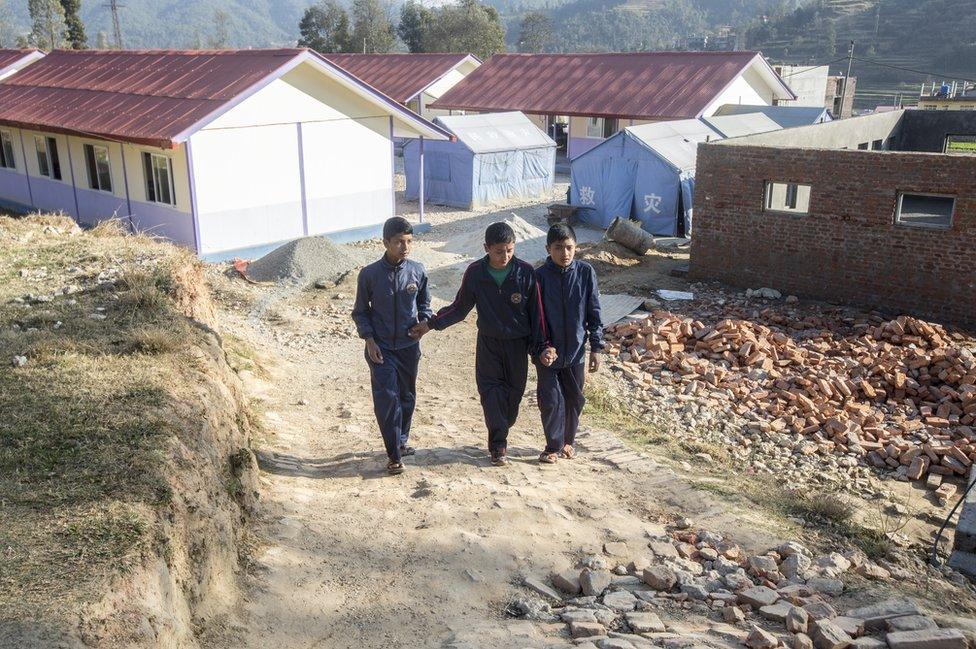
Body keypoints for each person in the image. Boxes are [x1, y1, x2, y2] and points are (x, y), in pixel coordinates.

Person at [409, 222, 555, 466]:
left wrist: (542, 347)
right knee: (490, 393)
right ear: (486, 248)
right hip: (488, 344)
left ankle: (501, 428)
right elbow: (460, 307)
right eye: (499, 251)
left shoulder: (526, 273)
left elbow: (537, 314)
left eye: (509, 250)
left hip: (517, 346)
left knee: (513, 397)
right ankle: (498, 445)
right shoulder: (476, 273)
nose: (505, 257)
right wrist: (431, 324)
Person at [352, 217, 432, 475]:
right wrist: (369, 340)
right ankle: (393, 455)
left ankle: (401, 440)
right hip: (381, 348)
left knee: (407, 396)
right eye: (398, 242)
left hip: (409, 347)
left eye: (409, 241)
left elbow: (424, 304)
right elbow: (361, 312)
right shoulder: (369, 275)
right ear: (385, 242)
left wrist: (424, 322)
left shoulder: (418, 270)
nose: (404, 247)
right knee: (387, 399)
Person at [534, 223, 604, 464]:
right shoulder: (539, 278)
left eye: (569, 248)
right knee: (551, 399)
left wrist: (596, 347)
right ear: (548, 249)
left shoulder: (585, 273)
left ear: (576, 248)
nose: (564, 253)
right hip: (547, 353)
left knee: (574, 399)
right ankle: (552, 446)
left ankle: (568, 442)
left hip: (576, 352)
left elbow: (594, 312)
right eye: (558, 248)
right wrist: (542, 346)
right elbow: (535, 317)